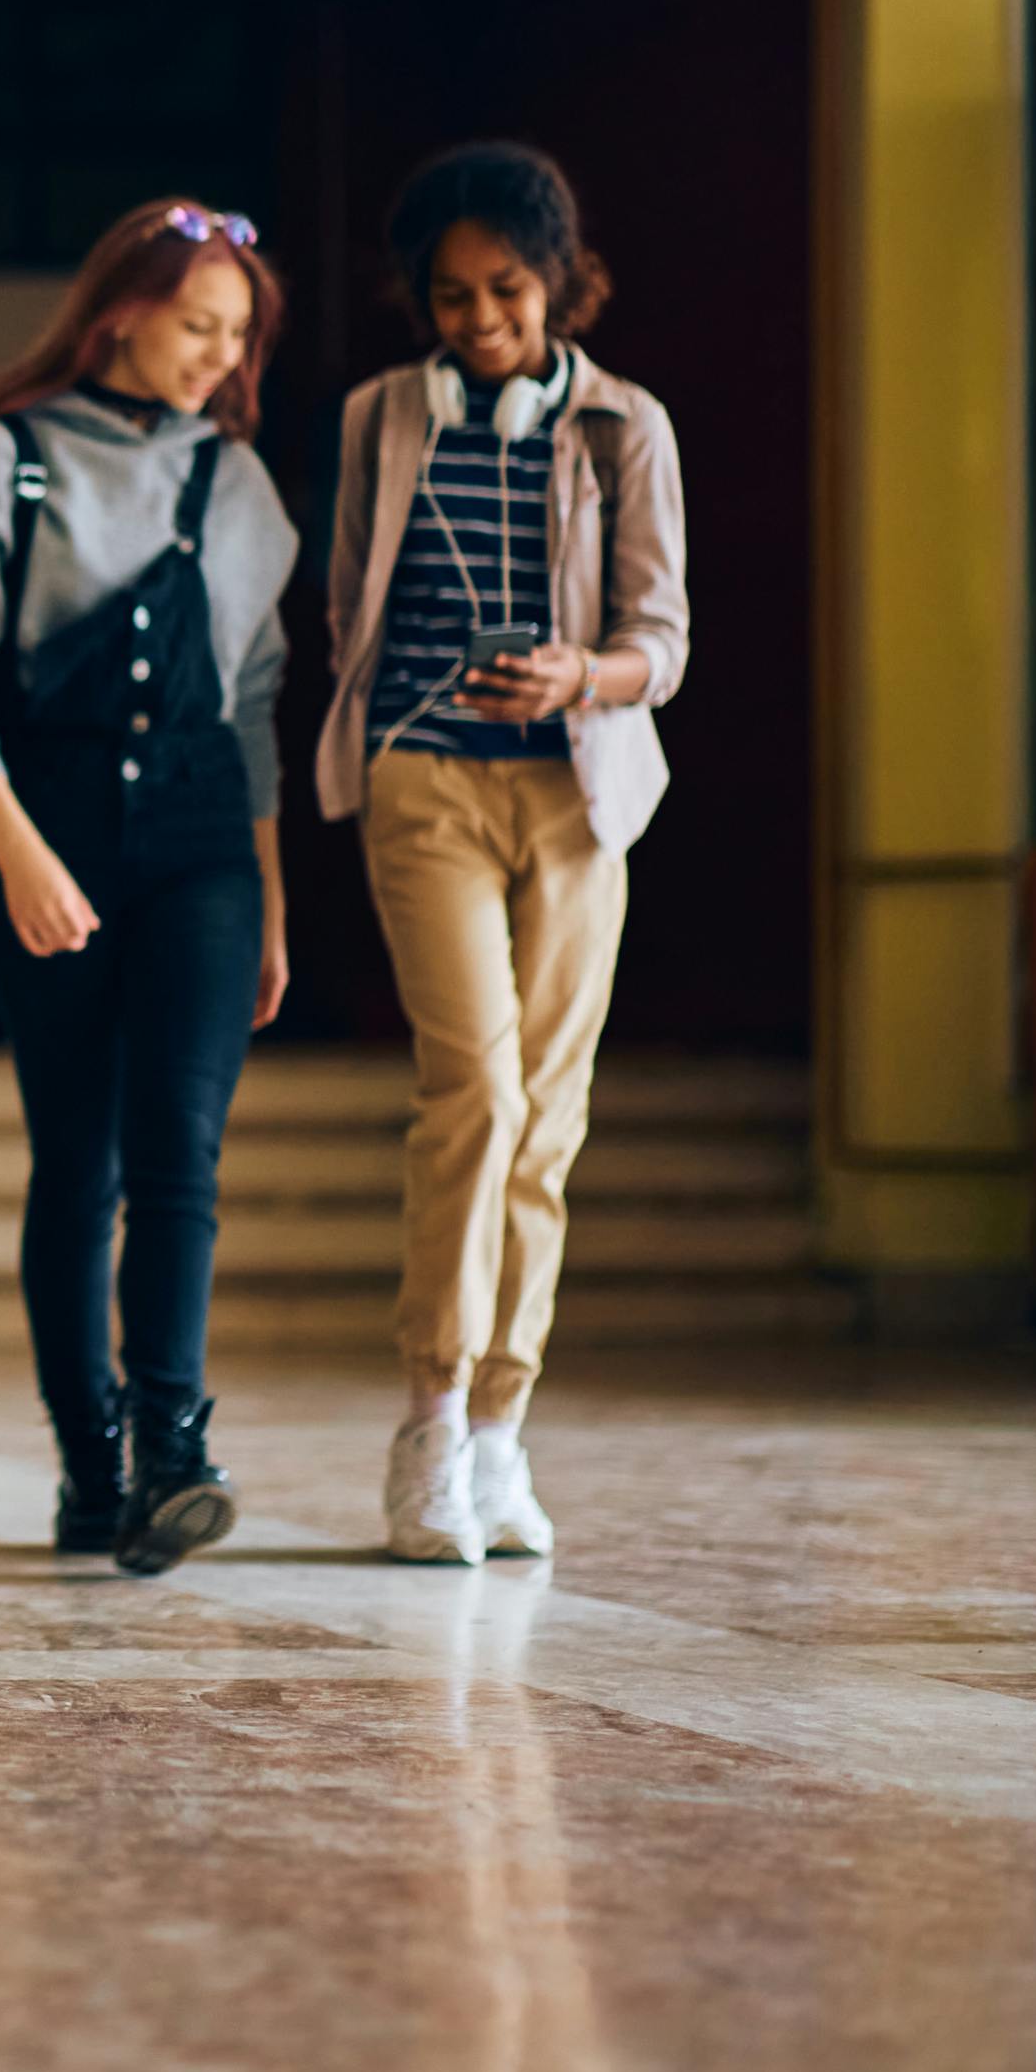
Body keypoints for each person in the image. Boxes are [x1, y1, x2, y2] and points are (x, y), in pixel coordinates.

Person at [319, 142, 689, 1565]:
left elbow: (664, 639)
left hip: (577, 792)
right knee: (471, 1087)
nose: (481, 321)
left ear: (559, 280)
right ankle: (426, 1425)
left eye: (508, 291)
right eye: (454, 295)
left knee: (549, 1114)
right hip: (427, 782)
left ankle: (498, 1432)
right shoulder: (374, 419)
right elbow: (352, 599)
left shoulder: (623, 428)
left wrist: (577, 675)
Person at [0, 202, 298, 1575]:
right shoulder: (1, 465)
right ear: (121, 312)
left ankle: (175, 1451)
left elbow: (256, 695)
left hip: (202, 840)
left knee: (180, 1150)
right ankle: (90, 1463)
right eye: (199, 324)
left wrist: (268, 892)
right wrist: (17, 851)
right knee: (76, 1161)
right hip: (47, 824)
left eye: (238, 336)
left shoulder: (239, 485)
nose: (219, 356)